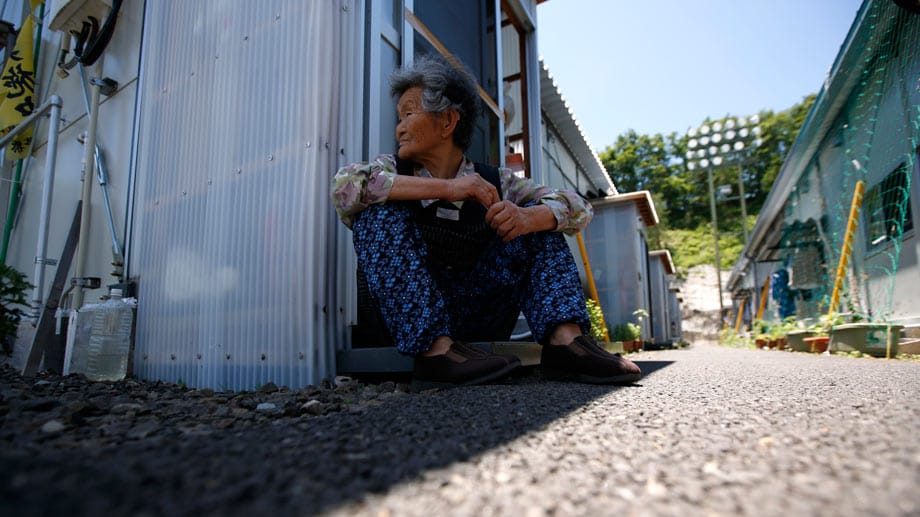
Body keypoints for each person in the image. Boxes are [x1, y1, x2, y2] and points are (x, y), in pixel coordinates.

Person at [332, 54, 641, 389]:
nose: (400, 127)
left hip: (479, 318)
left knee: (537, 217)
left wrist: (528, 217)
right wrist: (449, 187)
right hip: (405, 327)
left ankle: (566, 344)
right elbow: (345, 188)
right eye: (399, 117)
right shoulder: (390, 169)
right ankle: (436, 354)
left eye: (409, 113)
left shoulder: (495, 180)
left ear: (447, 121)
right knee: (377, 212)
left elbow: (578, 207)